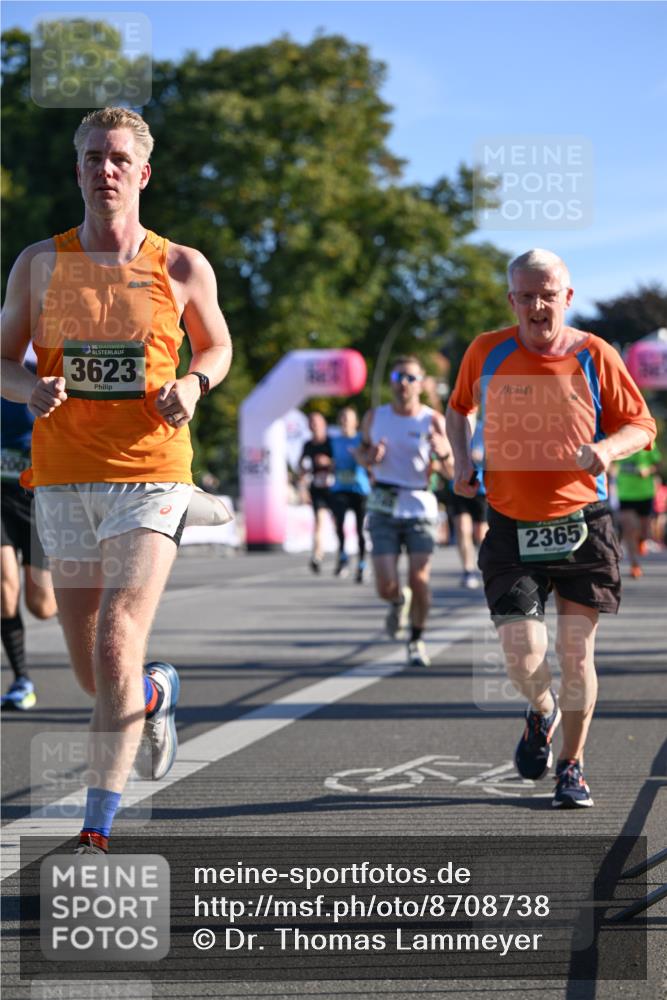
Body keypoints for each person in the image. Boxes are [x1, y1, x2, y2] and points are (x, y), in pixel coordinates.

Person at [0, 107, 232, 853]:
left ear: (142, 173)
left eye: (119, 158)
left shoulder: (181, 265)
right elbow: (2, 360)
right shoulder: (39, 263)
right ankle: (156, 693)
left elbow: (218, 346)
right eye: (94, 157)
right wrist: (28, 388)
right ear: (78, 170)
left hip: (150, 474)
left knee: (115, 640)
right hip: (64, 478)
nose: (106, 169)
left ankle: (96, 824)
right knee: (93, 671)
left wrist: (193, 383)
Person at [446, 248, 656, 809]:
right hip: (511, 525)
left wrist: (607, 449)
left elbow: (641, 424)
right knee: (522, 654)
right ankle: (542, 710)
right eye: (526, 296)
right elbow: (459, 408)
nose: (538, 306)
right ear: (511, 300)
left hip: (582, 523)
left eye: (548, 295)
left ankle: (571, 765)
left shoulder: (595, 353)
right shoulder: (486, 351)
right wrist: (461, 459)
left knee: (577, 655)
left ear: (568, 297)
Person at [358, 356, 450, 667]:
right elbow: (360, 453)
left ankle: (416, 639)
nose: (404, 384)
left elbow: (453, 471)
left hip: (420, 506)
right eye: (399, 377)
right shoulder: (375, 417)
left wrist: (444, 454)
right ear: (391, 382)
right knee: (385, 585)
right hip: (383, 504)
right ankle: (397, 601)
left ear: (421, 384)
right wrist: (370, 457)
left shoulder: (433, 420)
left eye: (411, 378)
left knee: (419, 578)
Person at [1, 389, 58, 709]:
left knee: (42, 606)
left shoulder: (43, 369)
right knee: (5, 588)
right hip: (0, 496)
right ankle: (21, 680)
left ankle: (76, 607)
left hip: (38, 498)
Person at [329, 406, 370, 582]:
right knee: (339, 525)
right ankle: (343, 556)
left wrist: (361, 457)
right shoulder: (334, 441)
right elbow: (329, 460)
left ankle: (362, 563)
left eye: (348, 418)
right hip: (340, 488)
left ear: (356, 422)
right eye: (342, 417)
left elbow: (370, 459)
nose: (344, 421)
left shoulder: (361, 439)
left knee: (360, 529)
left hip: (360, 489)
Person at [447, 419, 488, 589]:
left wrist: (482, 457)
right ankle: (468, 570)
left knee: (480, 533)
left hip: (481, 488)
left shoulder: (486, 427)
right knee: (463, 529)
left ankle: (487, 567)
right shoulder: (454, 425)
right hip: (459, 485)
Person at [614, 445, 661, 578]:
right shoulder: (619, 443)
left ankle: (641, 539)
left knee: (644, 530)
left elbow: (658, 464)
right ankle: (634, 565)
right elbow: (611, 464)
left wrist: (648, 470)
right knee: (629, 529)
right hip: (625, 494)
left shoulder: (647, 443)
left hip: (645, 494)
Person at [299, 411, 334, 573]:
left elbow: (342, 462)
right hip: (317, 488)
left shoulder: (331, 442)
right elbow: (302, 467)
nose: (314, 425)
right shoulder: (308, 445)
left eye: (317, 422)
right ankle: (317, 555)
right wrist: (303, 486)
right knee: (319, 522)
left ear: (323, 424)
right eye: (311, 422)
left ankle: (343, 556)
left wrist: (328, 462)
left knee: (338, 523)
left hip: (334, 487)